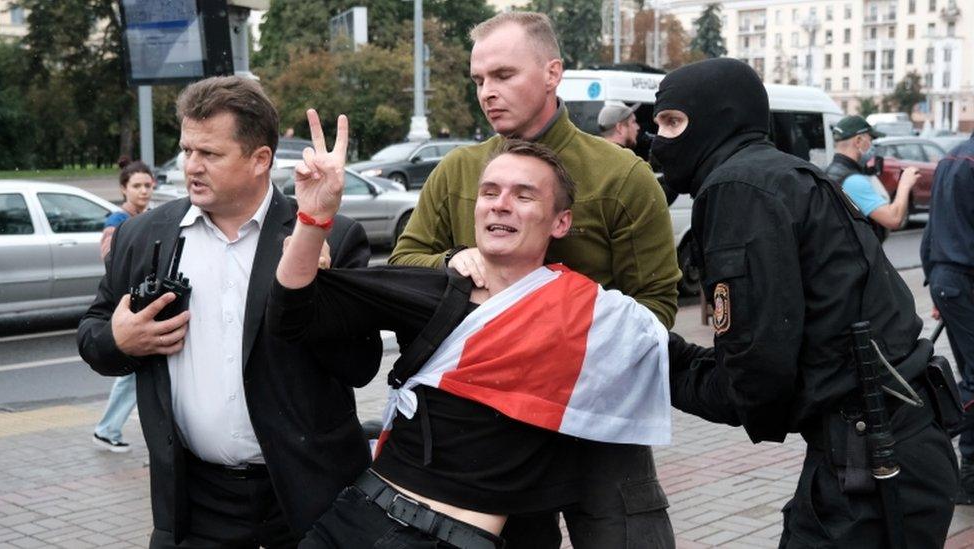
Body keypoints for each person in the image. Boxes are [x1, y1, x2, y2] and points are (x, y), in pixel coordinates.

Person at [271, 128, 671, 548]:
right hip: (359, 520)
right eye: (489, 192)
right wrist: (313, 219)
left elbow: (699, 375)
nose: (500, 204)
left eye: (523, 195)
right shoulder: (434, 289)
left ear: (561, 222)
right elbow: (293, 314)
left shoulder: (594, 321)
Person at [389, 12, 679, 547]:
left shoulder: (622, 175)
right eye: (478, 80)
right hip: (487, 420)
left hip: (599, 415)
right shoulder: (456, 171)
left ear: (552, 73)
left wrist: (567, 331)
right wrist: (456, 260)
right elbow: (404, 265)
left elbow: (657, 307)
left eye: (503, 75)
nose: (487, 92)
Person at [654, 57, 956, 547]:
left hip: (871, 457)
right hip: (889, 444)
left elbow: (757, 373)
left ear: (719, 119)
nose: (659, 140)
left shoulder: (738, 188)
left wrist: (664, 365)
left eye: (672, 122)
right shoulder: (780, 175)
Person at [77, 76, 382, 548]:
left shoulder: (329, 236)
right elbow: (93, 336)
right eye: (186, 150)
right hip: (194, 507)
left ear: (260, 159)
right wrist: (120, 340)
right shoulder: (145, 236)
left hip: (307, 503)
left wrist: (311, 283)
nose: (190, 168)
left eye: (210, 155)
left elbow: (359, 366)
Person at [921, 131, 974, 503]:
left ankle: (968, 473)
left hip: (948, 278)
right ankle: (925, 434)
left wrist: (936, 283)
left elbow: (931, 228)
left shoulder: (951, 157)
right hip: (965, 279)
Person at [92, 159, 156, 452]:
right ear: (123, 189)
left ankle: (109, 428)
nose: (143, 191)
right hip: (127, 306)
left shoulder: (149, 216)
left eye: (147, 185)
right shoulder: (118, 220)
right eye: (137, 186)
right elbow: (109, 257)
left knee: (135, 372)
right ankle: (107, 429)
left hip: (141, 303)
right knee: (131, 372)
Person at [824, 115, 920, 240]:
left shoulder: (830, 172)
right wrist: (905, 184)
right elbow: (893, 219)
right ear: (858, 141)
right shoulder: (852, 180)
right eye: (870, 139)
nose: (872, 145)